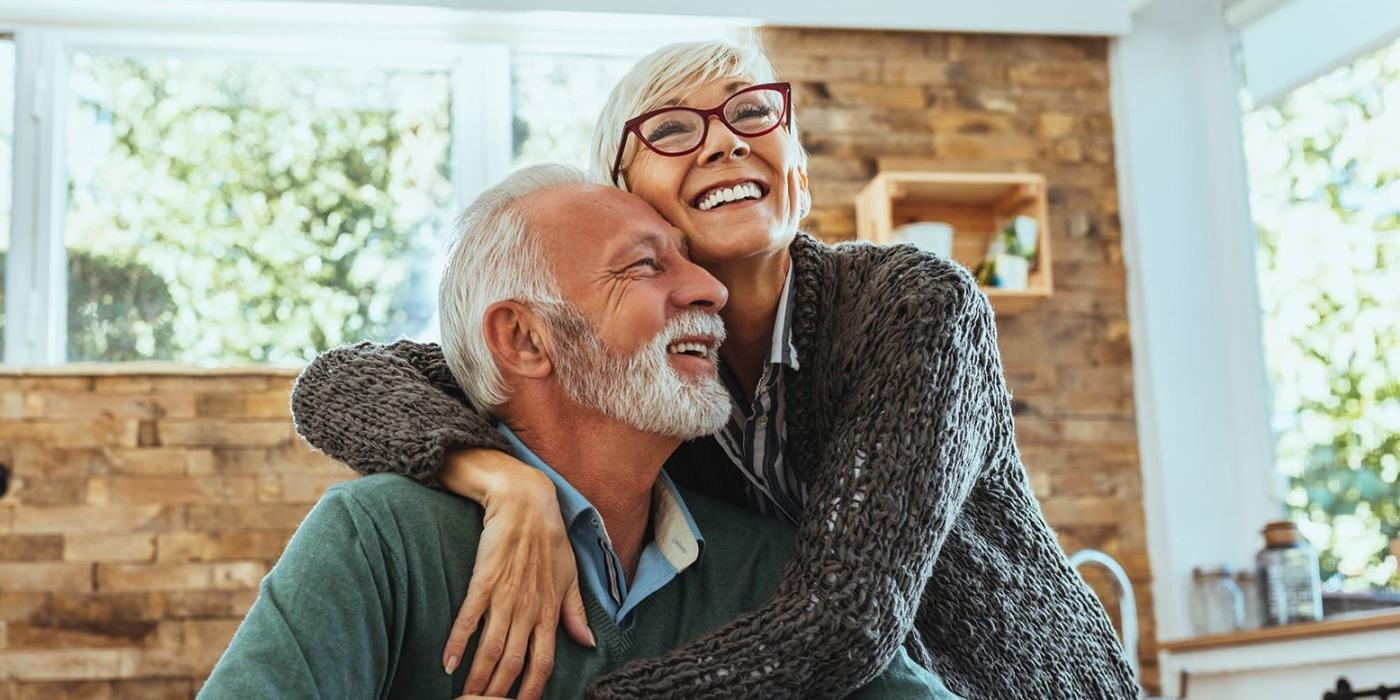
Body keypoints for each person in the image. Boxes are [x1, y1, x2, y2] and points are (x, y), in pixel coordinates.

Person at [289, 40, 1139, 699]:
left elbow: (844, 622)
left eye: (753, 115)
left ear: (797, 171)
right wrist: (507, 483)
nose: (726, 142)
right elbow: (339, 382)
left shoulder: (914, 308)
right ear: (623, 192)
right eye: (671, 130)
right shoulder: (644, 371)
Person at [198, 166, 958, 699]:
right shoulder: (380, 541)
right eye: (644, 266)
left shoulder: (769, 567)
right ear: (527, 341)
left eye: (688, 261)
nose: (709, 289)